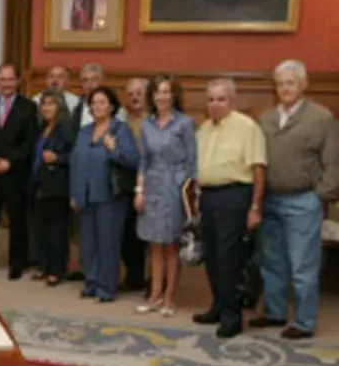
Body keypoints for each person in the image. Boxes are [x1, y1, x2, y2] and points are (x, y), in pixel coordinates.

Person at [252, 60, 339, 339]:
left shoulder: (322, 117)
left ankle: (304, 322)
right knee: (272, 261)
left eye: (290, 82)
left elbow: (333, 162)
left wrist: (320, 196)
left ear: (304, 84)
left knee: (303, 266)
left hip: (304, 200)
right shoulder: (266, 117)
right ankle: (275, 312)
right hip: (270, 198)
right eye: (279, 83)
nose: (284, 88)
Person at [194, 78, 266, 338]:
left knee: (228, 258)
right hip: (209, 197)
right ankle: (217, 305)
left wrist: (255, 206)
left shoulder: (247, 127)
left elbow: (258, 169)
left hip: (235, 196)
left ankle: (232, 316)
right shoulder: (203, 129)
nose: (215, 104)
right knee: (211, 256)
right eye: (211, 99)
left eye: (221, 99)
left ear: (232, 101)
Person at [134, 75, 197, 317]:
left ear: (174, 95)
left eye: (166, 92)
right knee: (154, 244)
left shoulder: (185, 123)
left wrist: (188, 193)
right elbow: (143, 161)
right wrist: (139, 191)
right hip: (151, 185)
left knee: (170, 244)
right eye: (157, 92)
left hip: (174, 187)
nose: (161, 96)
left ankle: (170, 296)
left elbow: (193, 162)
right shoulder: (146, 125)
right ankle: (154, 295)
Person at [70, 86, 139, 301]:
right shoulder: (84, 131)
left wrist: (114, 150)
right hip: (86, 195)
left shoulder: (121, 130)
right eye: (93, 103)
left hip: (111, 196)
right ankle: (91, 283)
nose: (97, 106)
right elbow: (75, 163)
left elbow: (133, 160)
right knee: (89, 243)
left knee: (108, 243)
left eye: (102, 102)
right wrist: (74, 193)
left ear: (111, 106)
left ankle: (106, 288)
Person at [0, 63, 38, 280]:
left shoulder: (28, 107)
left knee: (17, 219)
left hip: (15, 172)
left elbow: (29, 141)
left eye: (11, 80)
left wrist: (11, 162)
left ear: (17, 81)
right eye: (3, 80)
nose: (7, 84)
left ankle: (16, 264)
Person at [29, 90, 75, 286]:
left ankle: (57, 270)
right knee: (42, 229)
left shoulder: (65, 128)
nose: (47, 108)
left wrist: (58, 158)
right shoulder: (43, 127)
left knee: (56, 230)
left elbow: (75, 155)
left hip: (58, 185)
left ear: (60, 107)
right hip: (41, 184)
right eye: (44, 104)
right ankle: (45, 267)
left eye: (51, 104)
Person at [120, 78, 150, 291]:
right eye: (130, 94)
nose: (135, 97)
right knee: (127, 231)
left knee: (150, 232)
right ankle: (134, 275)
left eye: (139, 92)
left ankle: (155, 279)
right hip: (126, 179)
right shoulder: (121, 120)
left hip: (151, 179)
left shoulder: (155, 120)